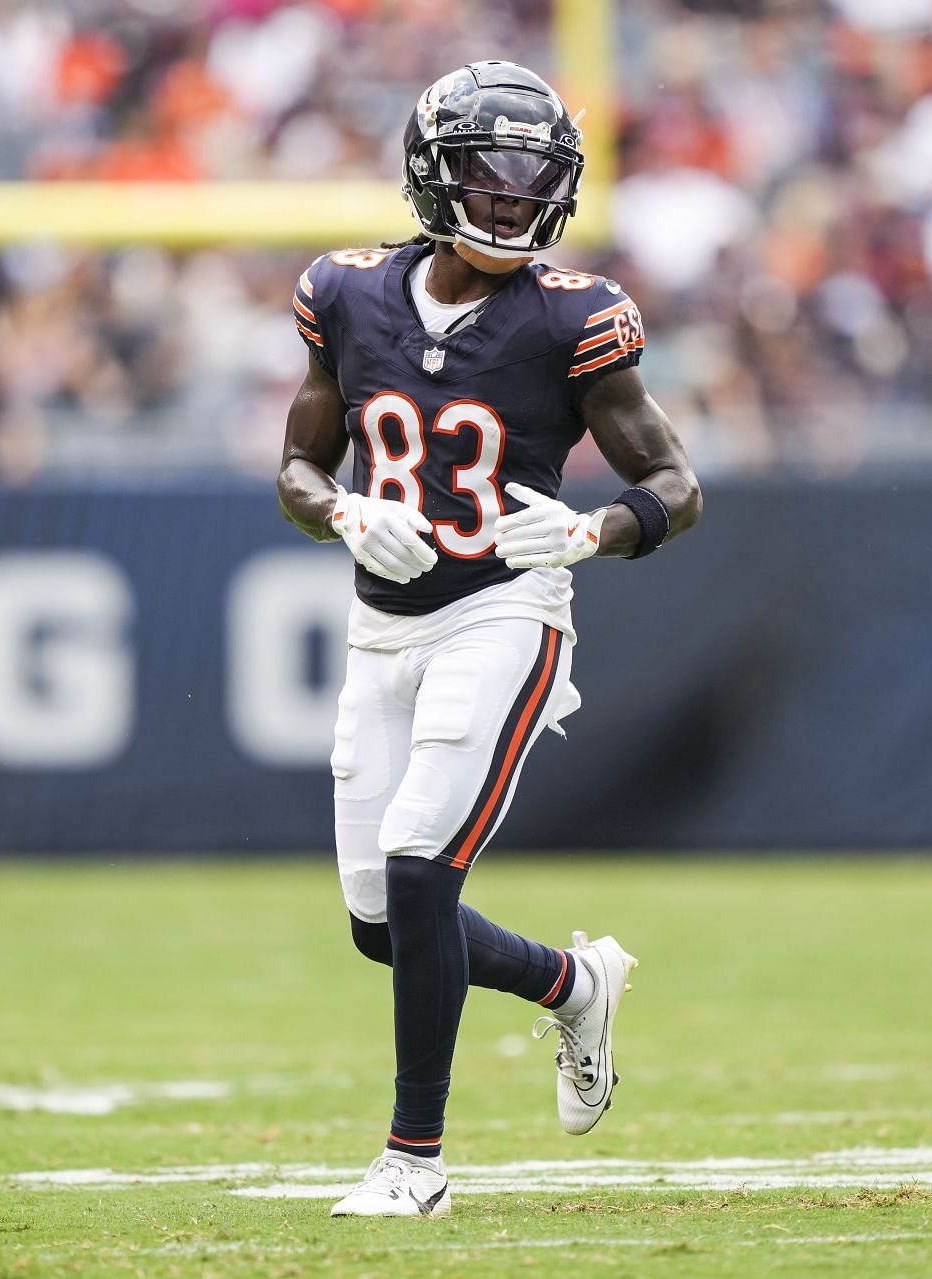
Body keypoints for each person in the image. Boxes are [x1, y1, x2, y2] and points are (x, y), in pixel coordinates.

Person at [274, 61, 701, 1219]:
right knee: (382, 923)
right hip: (380, 623)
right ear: (433, 173)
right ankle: (574, 983)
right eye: (491, 176)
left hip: (505, 611)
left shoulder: (574, 317)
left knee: (422, 864)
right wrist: (345, 509)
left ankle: (414, 1161)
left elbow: (675, 481)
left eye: (534, 181)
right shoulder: (346, 293)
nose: (514, 201)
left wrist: (597, 527)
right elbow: (298, 466)